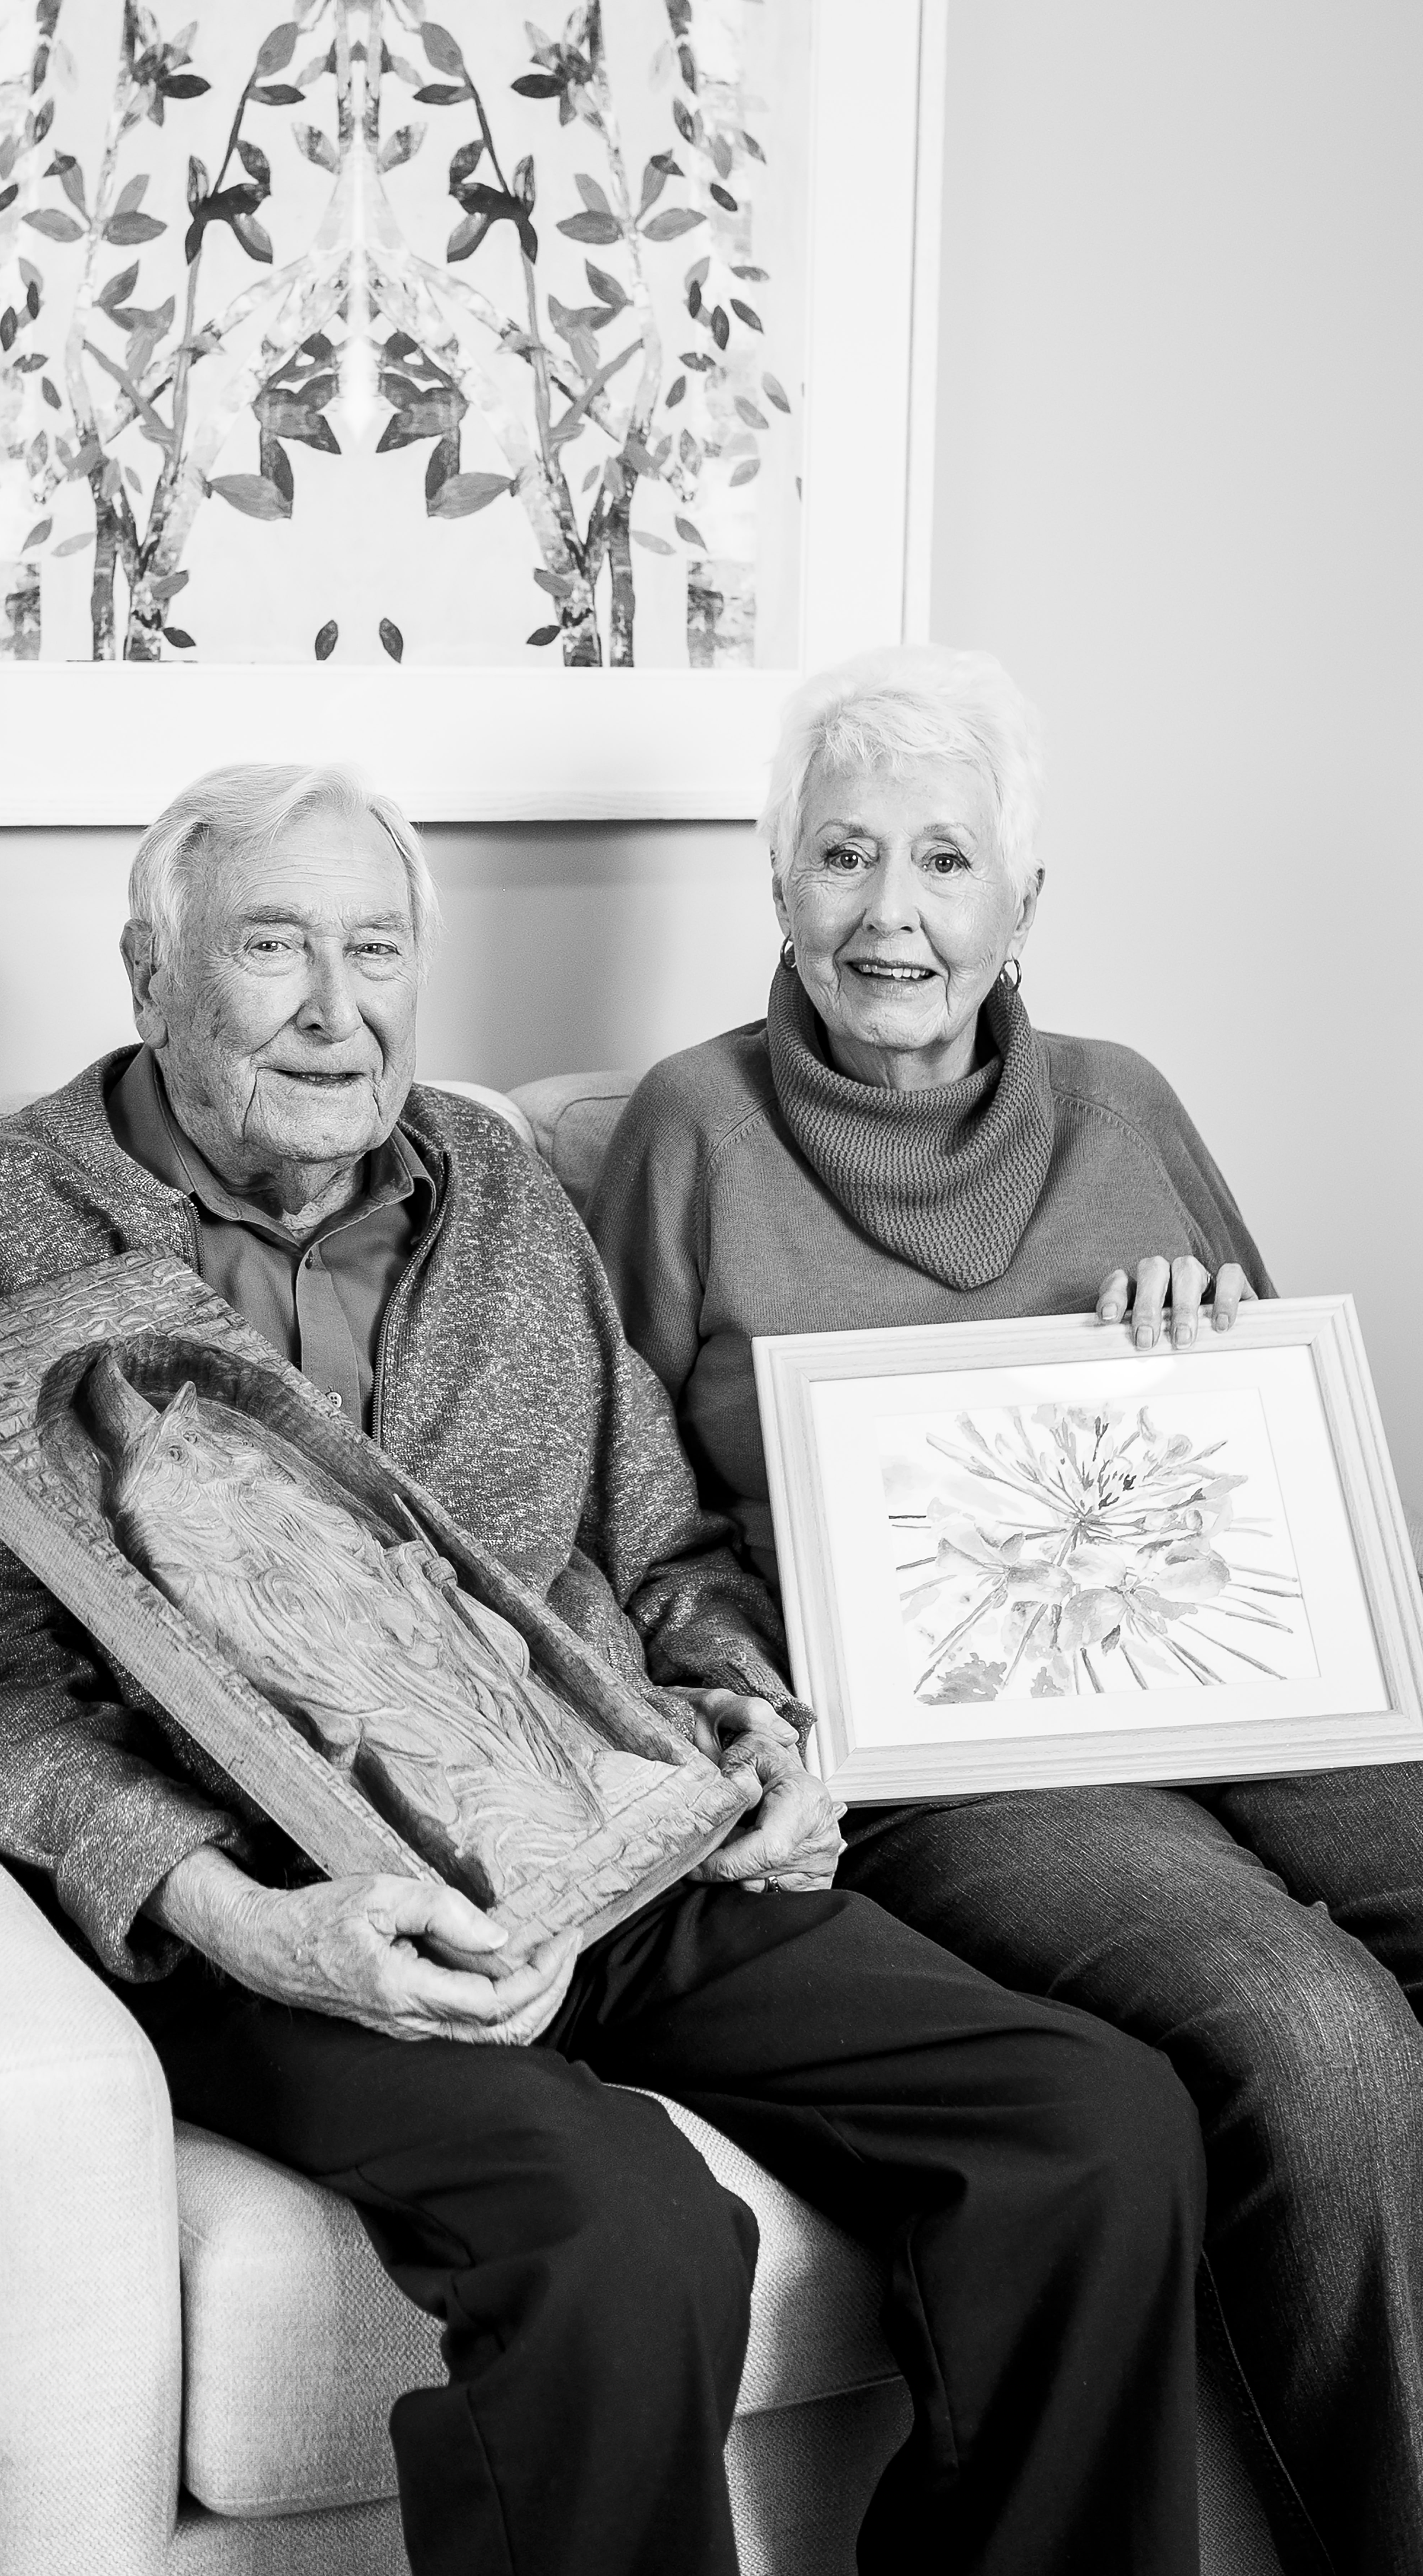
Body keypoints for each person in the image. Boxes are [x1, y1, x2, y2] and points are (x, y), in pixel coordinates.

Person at [0, 761, 1206, 2576]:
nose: (339, 1012)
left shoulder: (492, 1177)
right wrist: (237, 1918)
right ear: (148, 973)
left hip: (611, 1833)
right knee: (630, 2235)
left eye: (377, 950)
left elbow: (658, 1543)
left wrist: (748, 1712)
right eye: (272, 948)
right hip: (306, 1906)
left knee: (1099, 2123)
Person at [589, 644, 1423, 2573]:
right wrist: (750, 1697)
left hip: (1252, 1690)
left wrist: (1190, 1355)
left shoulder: (1126, 1105)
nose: (892, 913)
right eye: (844, 857)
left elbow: (1288, 1458)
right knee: (1309, 2028)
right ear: (776, 884)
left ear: (1019, 904)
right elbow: (624, 1525)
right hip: (958, 1760)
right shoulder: (687, 1130)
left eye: (943, 862)